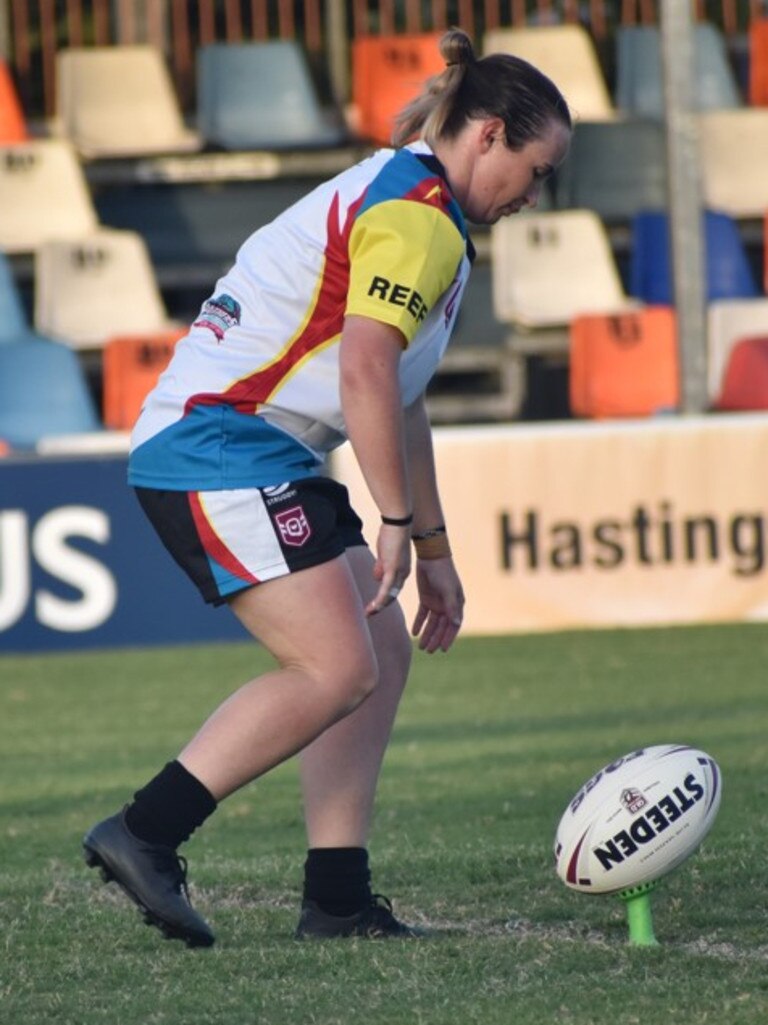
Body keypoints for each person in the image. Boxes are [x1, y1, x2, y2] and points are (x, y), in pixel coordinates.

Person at [82, 27, 572, 947]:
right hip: (218, 444)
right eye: (537, 170)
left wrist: (433, 550)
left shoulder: (421, 203)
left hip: (258, 450)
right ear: (491, 134)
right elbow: (362, 373)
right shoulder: (418, 214)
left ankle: (337, 899)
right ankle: (143, 833)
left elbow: (399, 394)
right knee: (337, 666)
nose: (534, 195)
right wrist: (392, 519)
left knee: (376, 647)